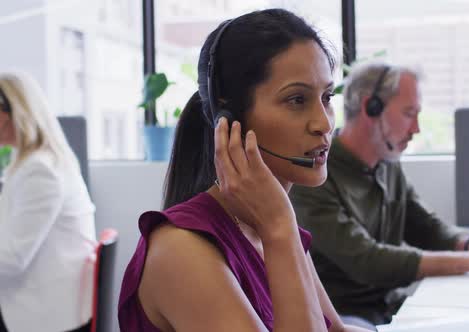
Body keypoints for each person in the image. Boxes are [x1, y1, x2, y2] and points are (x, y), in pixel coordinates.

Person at [118, 9, 373, 332]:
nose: (323, 123)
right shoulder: (181, 250)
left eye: (327, 97)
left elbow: (334, 329)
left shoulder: (271, 226)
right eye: (297, 100)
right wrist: (280, 226)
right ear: (230, 117)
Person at [289, 62, 469, 325]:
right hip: (344, 316)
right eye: (409, 113)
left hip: (388, 306)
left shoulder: (387, 163)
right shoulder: (315, 176)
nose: (416, 128)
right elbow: (367, 261)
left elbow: (425, 226)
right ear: (371, 108)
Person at [0, 72, 96, 332]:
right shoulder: (30, 162)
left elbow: (12, 259)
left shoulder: (40, 171)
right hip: (46, 299)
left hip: (45, 313)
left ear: (11, 112)